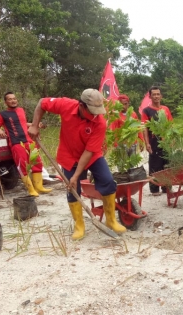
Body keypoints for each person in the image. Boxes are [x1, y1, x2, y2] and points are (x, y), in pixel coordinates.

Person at [28, 89, 126, 239]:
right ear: (81, 105)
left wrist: (76, 175)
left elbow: (89, 152)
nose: (95, 115)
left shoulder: (99, 122)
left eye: (97, 111)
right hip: (68, 156)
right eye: (92, 111)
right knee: (72, 189)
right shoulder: (66, 105)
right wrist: (34, 125)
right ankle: (79, 225)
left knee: (107, 181)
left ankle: (111, 220)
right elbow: (42, 103)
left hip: (91, 156)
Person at [0, 92, 52, 197]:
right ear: (5, 102)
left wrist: (36, 125)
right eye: (10, 99)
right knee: (23, 166)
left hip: (29, 140)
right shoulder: (2, 114)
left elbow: (23, 123)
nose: (13, 101)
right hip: (16, 143)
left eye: (14, 99)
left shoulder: (21, 110)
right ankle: (31, 190)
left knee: (37, 162)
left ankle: (39, 187)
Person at [141, 86, 173, 196]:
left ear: (161, 96)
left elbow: (170, 125)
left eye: (158, 94)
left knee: (167, 164)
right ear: (150, 96)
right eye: (154, 94)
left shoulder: (166, 109)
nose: (156, 96)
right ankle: (154, 189)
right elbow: (144, 127)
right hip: (154, 140)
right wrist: (147, 143)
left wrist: (171, 139)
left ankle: (167, 187)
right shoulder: (147, 111)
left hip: (166, 141)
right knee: (155, 164)